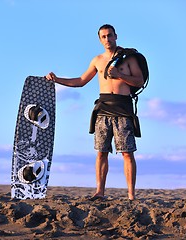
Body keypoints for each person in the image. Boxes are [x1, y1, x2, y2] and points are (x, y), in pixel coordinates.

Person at [46, 24, 144, 200]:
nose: (107, 39)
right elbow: (81, 81)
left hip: (123, 109)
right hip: (103, 109)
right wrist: (57, 80)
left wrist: (120, 75)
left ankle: (131, 195)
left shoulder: (128, 58)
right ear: (100, 40)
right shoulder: (97, 60)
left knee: (127, 153)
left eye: (110, 35)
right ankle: (99, 192)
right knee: (101, 152)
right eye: (104, 37)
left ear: (116, 36)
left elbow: (139, 81)